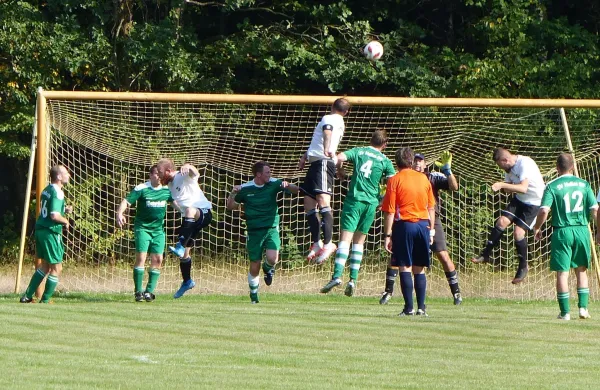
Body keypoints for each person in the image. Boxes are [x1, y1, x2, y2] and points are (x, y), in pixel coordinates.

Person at [380, 151, 462, 305]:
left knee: (442, 255)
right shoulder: (402, 178)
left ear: (425, 164)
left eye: (421, 161)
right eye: (415, 160)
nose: (418, 163)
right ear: (411, 163)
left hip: (430, 220)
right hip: (414, 221)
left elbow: (453, 187)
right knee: (398, 258)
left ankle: (456, 293)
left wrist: (448, 172)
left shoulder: (431, 177)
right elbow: (392, 203)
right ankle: (389, 291)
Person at [319, 129, 395, 296]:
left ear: (371, 139)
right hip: (371, 204)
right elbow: (392, 182)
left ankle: (337, 276)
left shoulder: (359, 151)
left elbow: (338, 157)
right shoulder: (385, 161)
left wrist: (340, 171)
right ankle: (353, 279)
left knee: (345, 239)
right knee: (359, 242)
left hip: (354, 200)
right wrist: (382, 198)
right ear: (385, 144)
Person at [533, 153, 597, 320]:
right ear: (573, 167)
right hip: (582, 230)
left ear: (557, 168)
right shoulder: (584, 184)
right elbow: (595, 210)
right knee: (581, 270)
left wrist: (537, 227)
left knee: (562, 273)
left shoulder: (552, 186)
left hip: (562, 231)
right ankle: (583, 309)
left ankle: (565, 313)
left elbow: (543, 210)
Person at [226, 161, 299, 303]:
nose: (270, 174)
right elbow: (231, 206)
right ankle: (253, 295)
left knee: (273, 259)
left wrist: (288, 185)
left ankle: (268, 268)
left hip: (271, 227)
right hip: (254, 231)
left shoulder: (273, 183)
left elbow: (297, 190)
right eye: (267, 172)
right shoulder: (246, 188)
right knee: (255, 264)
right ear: (258, 174)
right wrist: (233, 194)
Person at [471, 148, 545, 284]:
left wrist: (501, 185)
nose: (501, 168)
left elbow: (523, 187)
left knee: (518, 233)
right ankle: (485, 255)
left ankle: (523, 266)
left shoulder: (525, 164)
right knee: (501, 222)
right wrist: (504, 187)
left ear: (505, 160)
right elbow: (509, 188)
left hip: (534, 202)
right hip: (520, 199)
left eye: (500, 165)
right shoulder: (509, 169)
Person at [381, 147, 436, 316]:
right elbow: (431, 207)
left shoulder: (394, 180)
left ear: (396, 163)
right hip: (423, 225)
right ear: (411, 161)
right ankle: (421, 308)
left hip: (404, 225)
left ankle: (408, 308)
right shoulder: (423, 179)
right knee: (419, 268)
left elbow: (390, 211)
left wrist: (387, 235)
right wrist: (431, 230)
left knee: (404, 266)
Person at [298, 98, 351, 265]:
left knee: (322, 202)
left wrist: (328, 149)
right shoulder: (339, 121)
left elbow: (327, 134)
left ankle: (328, 244)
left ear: (332, 106)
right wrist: (305, 156)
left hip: (322, 162)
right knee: (308, 203)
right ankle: (317, 242)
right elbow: (318, 140)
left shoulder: (329, 118)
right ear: (346, 112)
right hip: (315, 162)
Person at [156, 158, 212, 298]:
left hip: (203, 212)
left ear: (168, 171)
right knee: (184, 255)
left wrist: (188, 165)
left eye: (161, 172)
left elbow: (195, 173)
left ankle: (180, 244)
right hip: (191, 220)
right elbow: (177, 202)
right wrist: (176, 207)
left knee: (189, 211)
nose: (159, 175)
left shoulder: (182, 175)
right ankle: (187, 281)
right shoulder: (169, 185)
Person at [116, 165, 172, 302]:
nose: (159, 177)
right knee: (141, 258)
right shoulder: (142, 188)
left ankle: (149, 291)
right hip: (142, 228)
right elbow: (126, 201)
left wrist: (188, 213)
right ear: (150, 175)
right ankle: (138, 291)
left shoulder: (167, 190)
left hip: (158, 230)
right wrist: (119, 213)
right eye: (156, 174)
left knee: (158, 259)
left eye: (161, 174)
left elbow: (177, 203)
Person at [20, 165, 72, 303]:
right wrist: (65, 221)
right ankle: (45, 300)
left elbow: (49, 209)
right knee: (57, 267)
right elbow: (54, 216)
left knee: (44, 266)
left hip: (40, 229)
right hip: (51, 232)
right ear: (59, 177)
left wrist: (64, 209)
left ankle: (27, 296)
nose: (69, 175)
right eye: (66, 173)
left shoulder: (46, 190)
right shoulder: (58, 192)